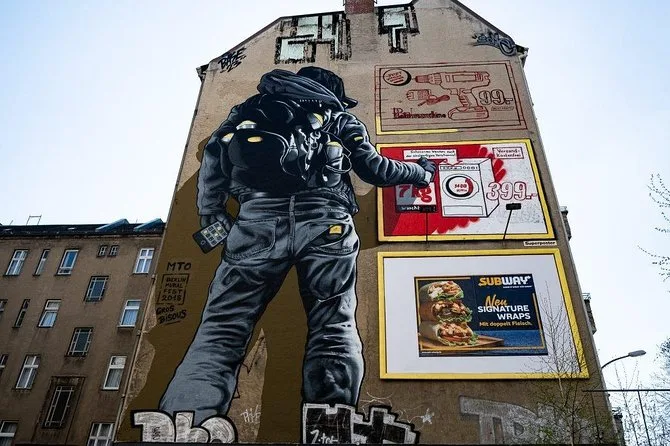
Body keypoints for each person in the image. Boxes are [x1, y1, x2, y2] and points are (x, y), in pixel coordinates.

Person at [159, 66, 435, 424]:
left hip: (255, 224)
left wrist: (211, 211)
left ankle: (184, 425)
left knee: (221, 332)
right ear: (333, 94)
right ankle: (331, 427)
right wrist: (420, 172)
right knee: (333, 328)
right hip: (327, 225)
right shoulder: (338, 117)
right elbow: (374, 170)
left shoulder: (252, 110)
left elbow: (215, 156)